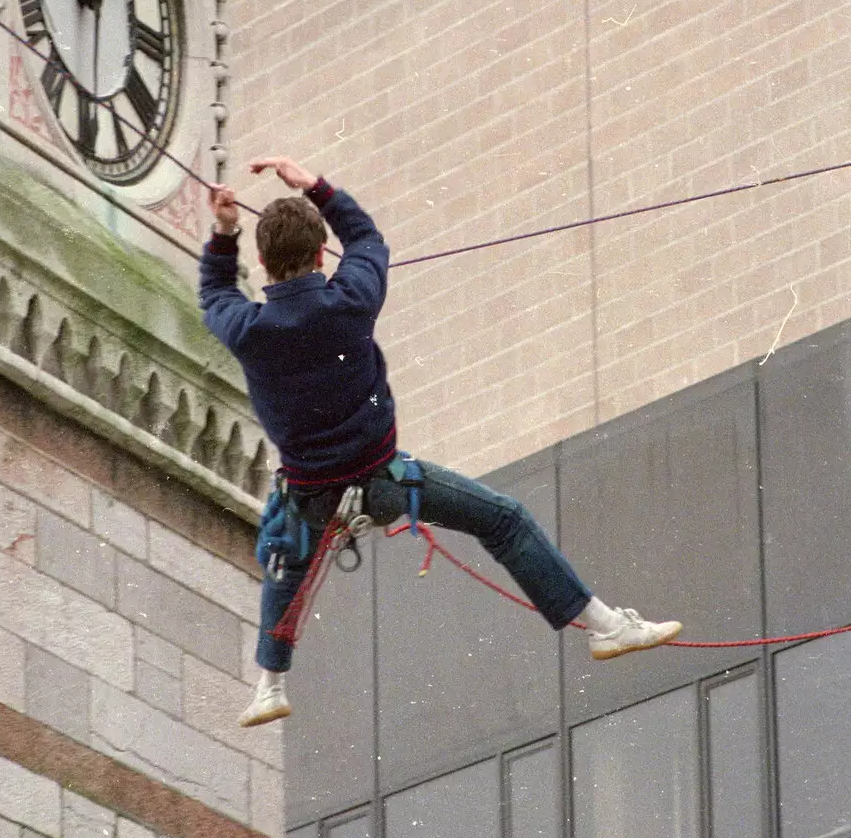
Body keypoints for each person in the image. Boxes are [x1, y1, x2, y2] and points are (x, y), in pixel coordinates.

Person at [199, 158, 682, 728]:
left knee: (288, 566)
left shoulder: (249, 331)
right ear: (320, 258)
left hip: (309, 493)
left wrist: (225, 233)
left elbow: (214, 293)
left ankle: (270, 684)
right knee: (503, 521)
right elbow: (367, 239)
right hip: (383, 482)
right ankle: (603, 627)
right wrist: (317, 188)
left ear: (263, 265)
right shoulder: (349, 300)